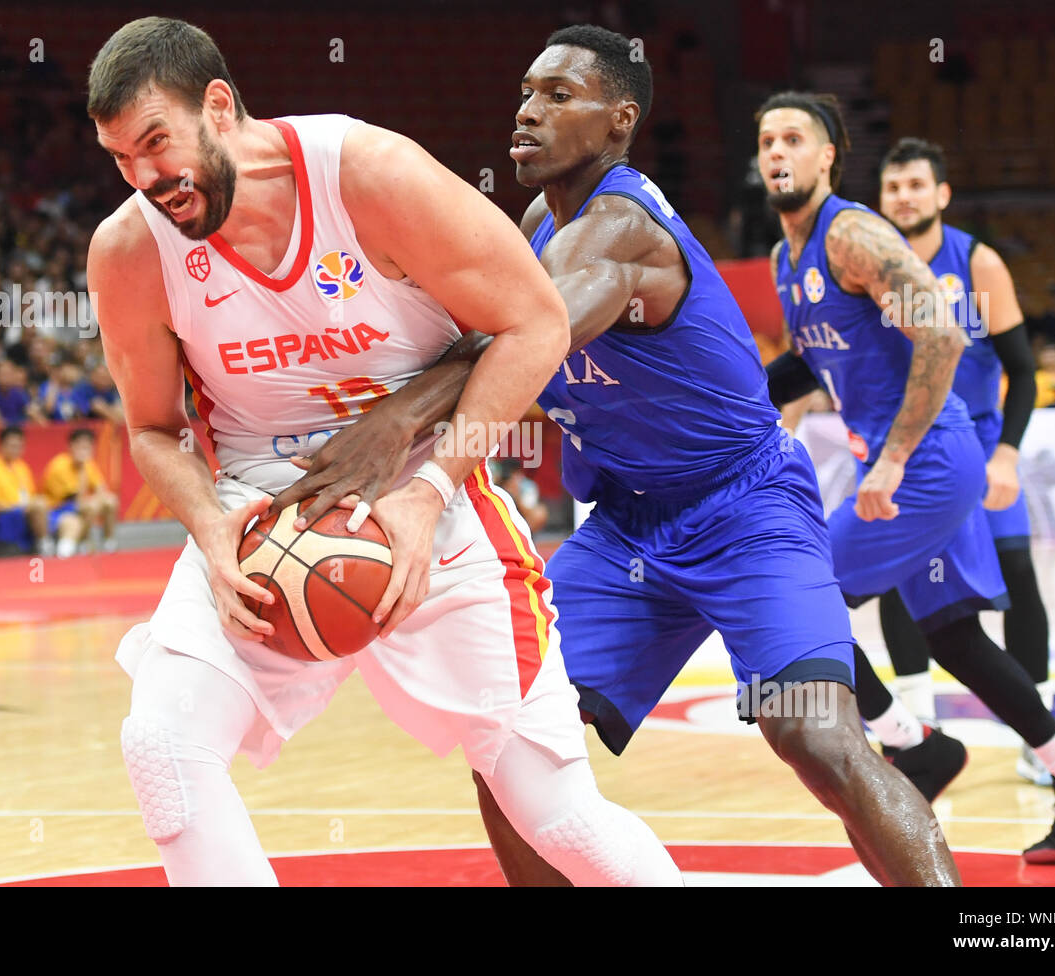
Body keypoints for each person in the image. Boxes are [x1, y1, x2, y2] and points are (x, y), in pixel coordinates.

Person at [278, 26, 961, 886]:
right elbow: (468, 337)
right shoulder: (535, 223)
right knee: (508, 743)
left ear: (618, 122)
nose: (528, 111)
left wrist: (394, 424)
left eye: (560, 96)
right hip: (630, 529)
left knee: (816, 735)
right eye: (526, 92)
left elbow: (527, 339)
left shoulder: (623, 228)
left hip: (745, 506)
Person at [85, 16, 679, 887]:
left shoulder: (366, 173)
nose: (145, 179)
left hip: (429, 502)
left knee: (555, 811)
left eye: (155, 143)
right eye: (119, 159)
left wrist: (431, 487)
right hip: (263, 516)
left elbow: (537, 321)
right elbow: (151, 428)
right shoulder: (131, 248)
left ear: (217, 105)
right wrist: (211, 527)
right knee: (164, 748)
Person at [757, 92, 1055, 862]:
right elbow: (810, 365)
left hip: (928, 458)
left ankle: (910, 744)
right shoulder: (782, 259)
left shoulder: (854, 233)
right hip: (907, 457)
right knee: (954, 633)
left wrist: (893, 458)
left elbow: (943, 333)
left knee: (796, 597)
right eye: (766, 140)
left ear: (828, 156)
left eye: (794, 137)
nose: (776, 152)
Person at [876, 137, 1054, 786]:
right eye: (893, 187)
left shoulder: (977, 264)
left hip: (978, 451)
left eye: (916, 185)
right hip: (909, 455)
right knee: (902, 582)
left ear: (942, 194)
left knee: (1016, 580)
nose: (904, 196)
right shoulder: (867, 267)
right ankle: (917, 735)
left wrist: (1007, 453)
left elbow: (1025, 374)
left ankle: (1042, 734)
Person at [0, 425, 52, 557]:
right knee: (39, 505)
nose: (16, 450)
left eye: (19, 446)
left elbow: (30, 496)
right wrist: (15, 507)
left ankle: (45, 544)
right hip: (2, 516)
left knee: (43, 504)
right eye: (12, 446)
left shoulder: (22, 467)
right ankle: (45, 546)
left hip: (24, 512)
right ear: (1, 445)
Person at [41, 427, 118, 556]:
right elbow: (75, 500)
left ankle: (109, 544)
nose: (84, 450)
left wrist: (99, 497)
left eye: (88, 447)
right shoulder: (59, 465)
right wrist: (82, 469)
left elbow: (101, 489)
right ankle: (83, 542)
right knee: (90, 506)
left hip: (80, 506)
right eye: (81, 446)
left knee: (110, 501)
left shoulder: (89, 464)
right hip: (59, 510)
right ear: (71, 446)